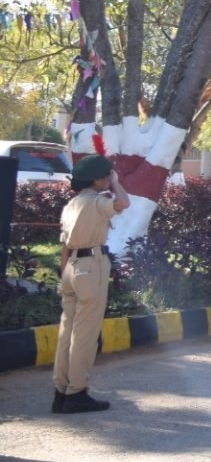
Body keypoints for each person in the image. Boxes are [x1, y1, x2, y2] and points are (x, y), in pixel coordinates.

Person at [52, 155, 130, 414]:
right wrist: (117, 183)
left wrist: (63, 278)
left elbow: (64, 247)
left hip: (71, 268)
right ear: (97, 180)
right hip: (91, 267)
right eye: (107, 176)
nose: (109, 179)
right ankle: (77, 393)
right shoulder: (98, 202)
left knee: (67, 333)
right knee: (85, 335)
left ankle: (61, 392)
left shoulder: (72, 204)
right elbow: (124, 202)